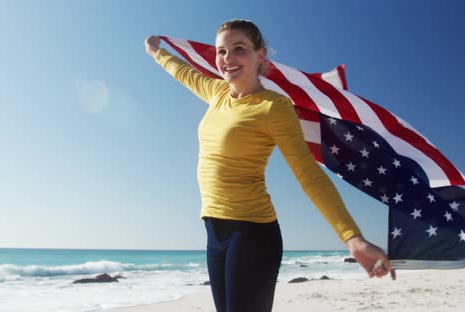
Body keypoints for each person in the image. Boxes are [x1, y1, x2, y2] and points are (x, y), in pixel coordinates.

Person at [145, 19, 395, 312]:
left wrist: (353, 238)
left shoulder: (274, 107)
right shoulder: (216, 92)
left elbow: (308, 173)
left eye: (238, 49)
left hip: (251, 232)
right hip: (214, 231)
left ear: (259, 55)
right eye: (221, 51)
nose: (227, 59)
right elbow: (182, 72)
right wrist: (156, 52)